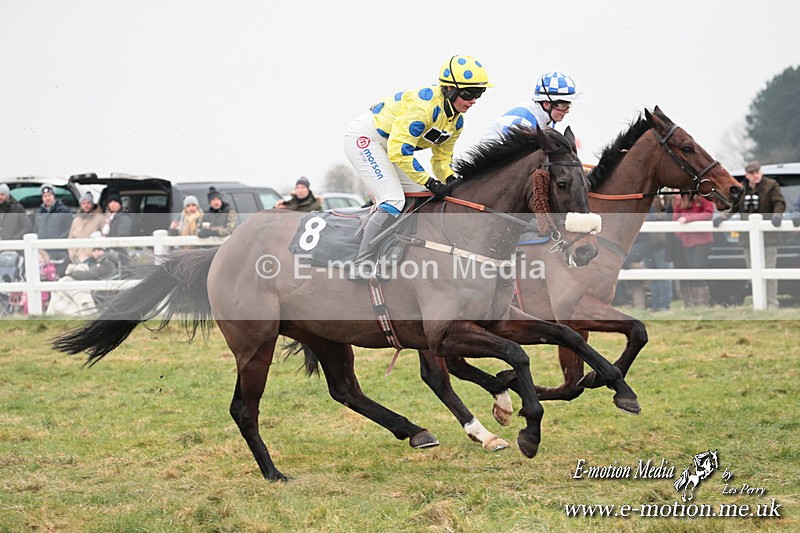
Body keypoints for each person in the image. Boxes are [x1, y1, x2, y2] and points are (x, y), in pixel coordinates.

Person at [343, 54, 493, 279]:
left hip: (393, 146)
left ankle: (390, 253)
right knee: (393, 199)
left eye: (478, 94)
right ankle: (362, 262)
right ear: (450, 89)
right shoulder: (423, 108)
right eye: (468, 94)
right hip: (367, 139)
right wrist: (431, 181)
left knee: (421, 197)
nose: (473, 100)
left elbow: (441, 160)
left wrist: (451, 180)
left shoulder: (457, 121)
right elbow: (398, 151)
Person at [714, 161, 786, 308]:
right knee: (753, 271)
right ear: (747, 175)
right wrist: (722, 217)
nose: (755, 176)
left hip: (769, 237)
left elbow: (779, 202)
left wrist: (777, 216)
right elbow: (734, 207)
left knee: (769, 272)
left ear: (761, 172)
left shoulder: (771, 185)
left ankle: (772, 303)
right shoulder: (742, 188)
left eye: (757, 172)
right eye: (752, 173)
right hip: (748, 238)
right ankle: (759, 302)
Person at [481, 70, 581, 143]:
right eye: (563, 106)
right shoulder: (523, 122)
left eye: (568, 105)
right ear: (546, 104)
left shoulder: (547, 120)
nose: (567, 111)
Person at [46, 237, 120, 316]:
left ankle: (73, 313)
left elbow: (88, 275)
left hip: (100, 292)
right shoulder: (100, 262)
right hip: (95, 289)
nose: (96, 253)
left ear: (105, 251)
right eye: (94, 250)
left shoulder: (106, 263)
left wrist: (72, 273)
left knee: (66, 285)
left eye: (99, 250)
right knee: (64, 284)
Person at [674, 193, 715, 307]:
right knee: (690, 271)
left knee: (698, 270)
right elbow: (675, 217)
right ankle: (691, 304)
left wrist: (688, 219)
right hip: (686, 241)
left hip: (702, 240)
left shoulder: (703, 197)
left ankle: (702, 303)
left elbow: (708, 214)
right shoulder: (683, 199)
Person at [33, 183, 73, 276]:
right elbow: (36, 229)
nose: (47, 198)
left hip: (59, 252)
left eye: (49, 195)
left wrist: (59, 239)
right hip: (43, 253)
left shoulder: (64, 211)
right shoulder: (39, 213)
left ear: (53, 196)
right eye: (45, 196)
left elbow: (70, 229)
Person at [67, 191, 105, 263]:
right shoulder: (76, 220)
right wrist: (72, 255)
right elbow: (70, 238)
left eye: (88, 203)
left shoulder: (100, 218)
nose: (86, 205)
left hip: (93, 258)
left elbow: (104, 237)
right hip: (77, 258)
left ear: (92, 204)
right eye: (83, 203)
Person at [100, 190, 135, 268]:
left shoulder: (124, 218)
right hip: (109, 250)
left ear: (120, 204)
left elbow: (122, 236)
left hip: (119, 253)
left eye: (115, 202)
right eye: (110, 202)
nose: (113, 204)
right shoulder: (109, 218)